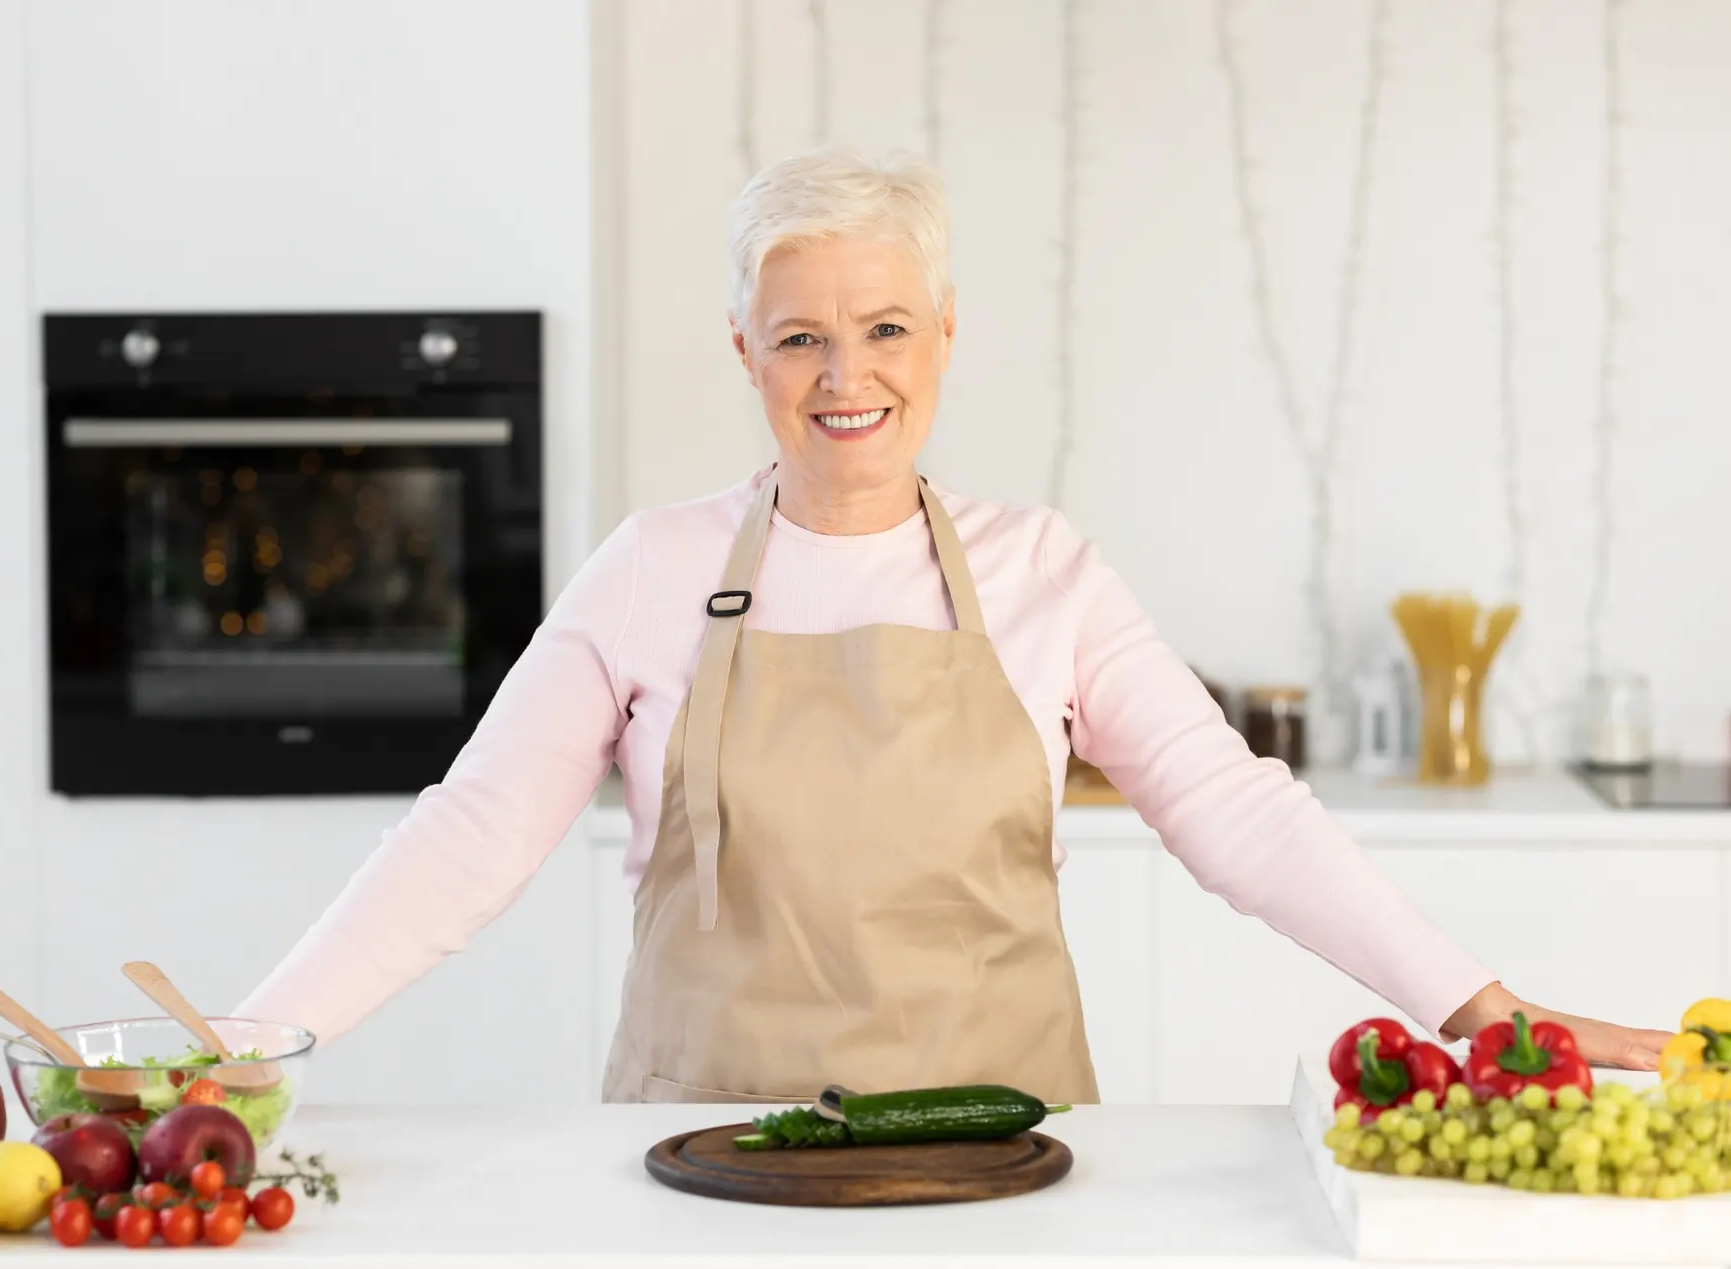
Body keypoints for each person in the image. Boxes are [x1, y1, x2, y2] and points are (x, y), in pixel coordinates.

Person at [234, 148, 1668, 1103]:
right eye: (800, 335)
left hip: (1012, 1167)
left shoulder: (1044, 572)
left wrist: (1474, 1005)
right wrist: (245, 1048)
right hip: (703, 1170)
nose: (844, 373)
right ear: (745, 350)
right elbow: (466, 841)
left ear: (945, 331)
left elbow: (1240, 814)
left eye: (885, 328)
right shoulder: (649, 572)